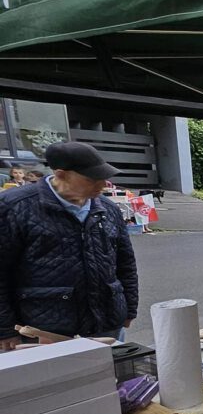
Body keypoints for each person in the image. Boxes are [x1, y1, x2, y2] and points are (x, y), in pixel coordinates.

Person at [0, 142, 138, 349]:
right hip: (44, 330)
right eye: (92, 179)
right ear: (61, 174)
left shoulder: (108, 209)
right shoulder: (13, 207)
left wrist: (128, 309)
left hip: (106, 324)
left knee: (113, 370)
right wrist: (4, 328)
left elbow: (125, 263)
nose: (102, 185)